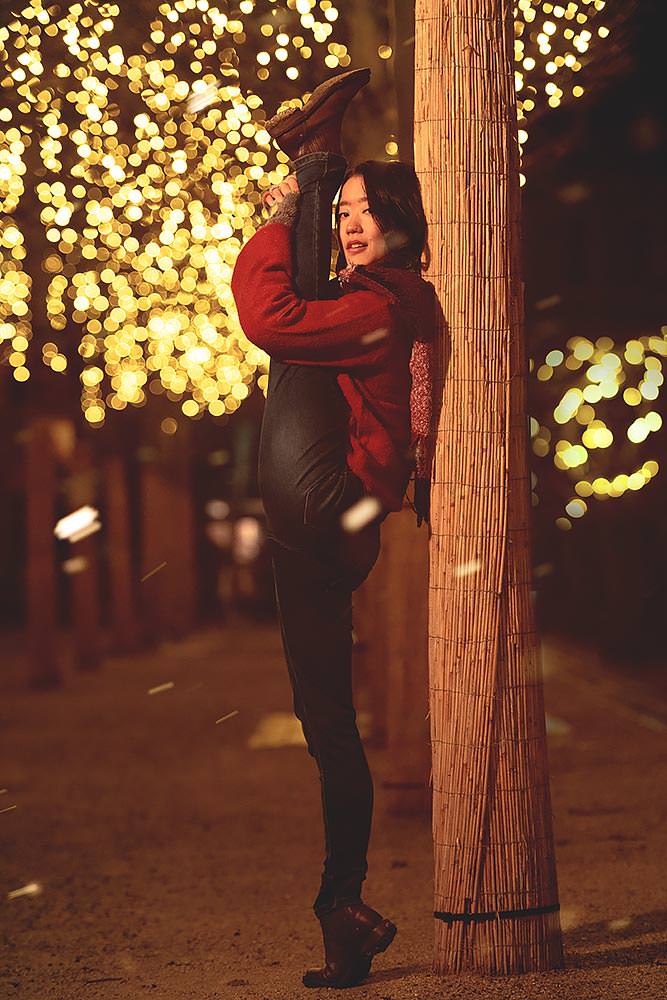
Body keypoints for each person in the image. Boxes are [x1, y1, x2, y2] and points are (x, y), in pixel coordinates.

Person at [231, 68, 437, 989]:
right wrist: (293, 219)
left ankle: (316, 148)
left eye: (359, 208)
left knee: (287, 343)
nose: (350, 224)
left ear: (399, 220)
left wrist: (283, 218)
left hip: (335, 500)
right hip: (311, 528)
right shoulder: (359, 298)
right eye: (338, 206)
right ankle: (340, 911)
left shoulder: (380, 305)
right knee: (327, 731)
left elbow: (268, 315)